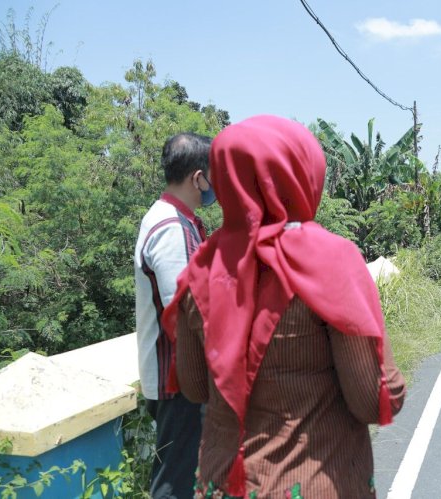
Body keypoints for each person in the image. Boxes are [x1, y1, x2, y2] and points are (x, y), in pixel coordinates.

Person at [163, 115, 406, 498]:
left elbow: (194, 388)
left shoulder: (202, 269)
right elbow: (374, 400)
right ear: (303, 174)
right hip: (315, 483)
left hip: (223, 482)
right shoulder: (330, 260)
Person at [134, 132, 215, 498]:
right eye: (213, 175)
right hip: (178, 381)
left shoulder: (176, 220)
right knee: (176, 483)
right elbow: (186, 314)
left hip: (179, 378)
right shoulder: (171, 228)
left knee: (185, 473)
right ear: (198, 177)